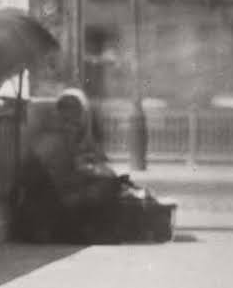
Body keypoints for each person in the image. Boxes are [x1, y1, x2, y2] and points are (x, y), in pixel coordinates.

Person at [12, 88, 174, 244]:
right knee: (106, 192)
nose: (70, 124)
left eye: (75, 118)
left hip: (65, 202)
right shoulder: (51, 143)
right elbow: (60, 182)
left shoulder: (80, 142)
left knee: (114, 188)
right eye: (66, 117)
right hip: (53, 208)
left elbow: (91, 167)